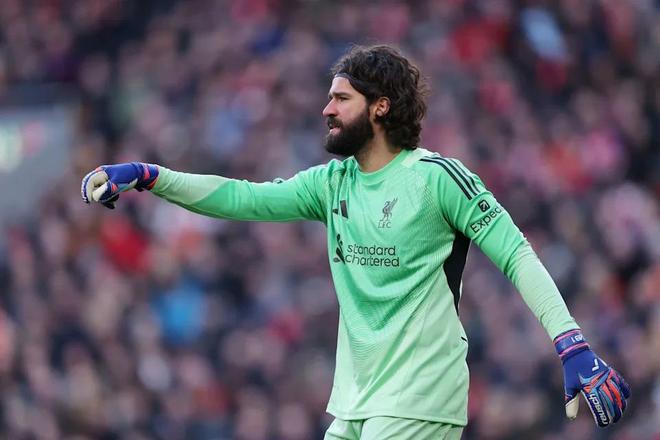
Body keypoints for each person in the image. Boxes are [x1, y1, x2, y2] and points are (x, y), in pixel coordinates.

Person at [81, 45, 630, 439]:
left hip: (419, 397)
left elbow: (516, 254)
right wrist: (151, 176)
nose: (327, 109)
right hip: (355, 402)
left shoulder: (438, 178)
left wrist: (571, 344)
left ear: (380, 107)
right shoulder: (332, 184)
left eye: (341, 98)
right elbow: (241, 198)